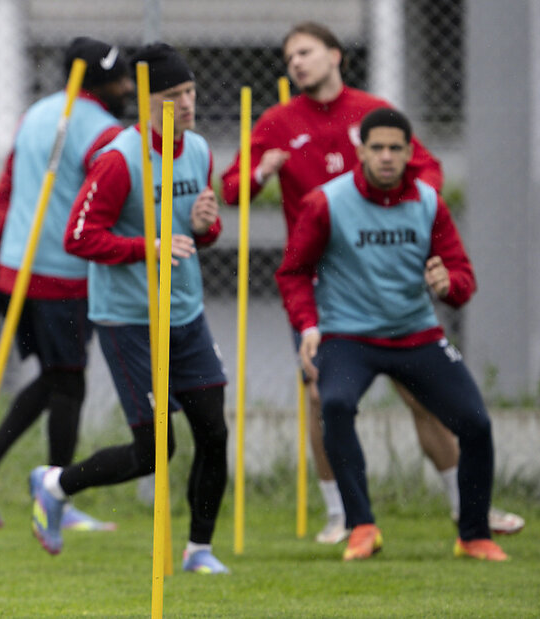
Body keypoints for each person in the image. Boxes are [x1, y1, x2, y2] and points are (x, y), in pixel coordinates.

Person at [220, 21, 523, 543]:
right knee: (323, 397)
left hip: (386, 281)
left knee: (422, 399)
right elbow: (230, 190)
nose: (296, 63)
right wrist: (260, 173)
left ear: (336, 55)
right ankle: (342, 514)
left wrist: (398, 214)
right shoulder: (277, 122)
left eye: (305, 52)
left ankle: (468, 508)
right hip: (321, 288)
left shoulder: (373, 114)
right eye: (289, 57)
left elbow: (428, 172)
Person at [275, 107, 509, 562]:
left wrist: (449, 285)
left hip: (416, 334)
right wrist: (309, 326)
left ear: (408, 153)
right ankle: (361, 526)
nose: (386, 156)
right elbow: (293, 272)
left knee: (476, 423)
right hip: (348, 337)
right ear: (360, 151)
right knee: (334, 404)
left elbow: (461, 275)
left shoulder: (428, 202)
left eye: (395, 149)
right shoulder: (326, 202)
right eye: (377, 148)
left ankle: (474, 535)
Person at [32, 43, 230, 574]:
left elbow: (197, 234)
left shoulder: (198, 150)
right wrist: (151, 247)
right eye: (172, 96)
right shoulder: (120, 158)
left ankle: (199, 550)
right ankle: (55, 485)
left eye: (190, 92)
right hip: (129, 320)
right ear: (146, 102)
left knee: (214, 431)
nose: (186, 104)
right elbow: (79, 237)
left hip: (185, 312)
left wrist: (206, 226)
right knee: (155, 450)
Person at [0, 36, 133, 532]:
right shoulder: (104, 131)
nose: (127, 87)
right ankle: (58, 495)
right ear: (101, 80)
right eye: (120, 78)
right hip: (63, 274)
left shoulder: (34, 114)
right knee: (68, 382)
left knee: (55, 377)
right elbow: (111, 202)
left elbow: (6, 187)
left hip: (18, 268)